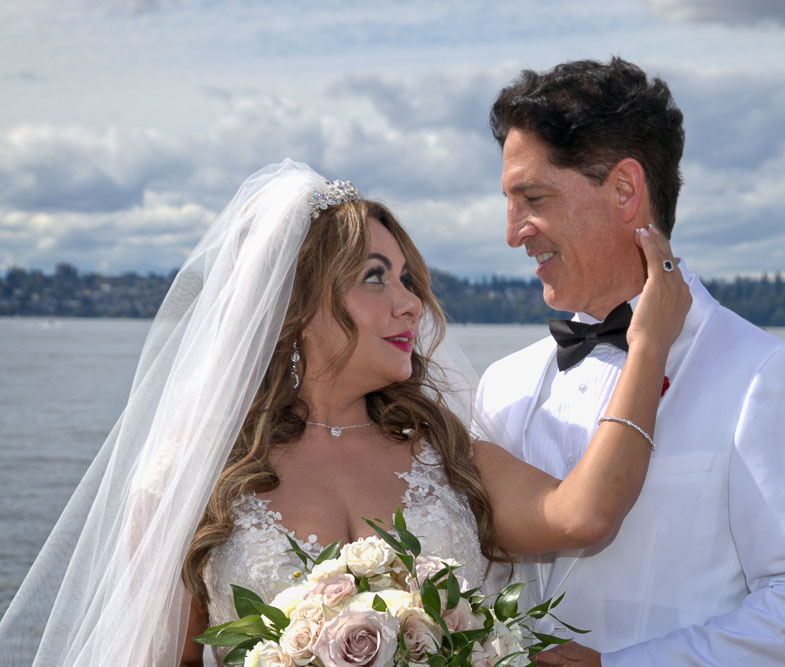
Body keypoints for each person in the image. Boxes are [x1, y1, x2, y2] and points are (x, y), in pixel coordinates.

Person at [0, 159, 689, 667]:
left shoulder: (448, 456)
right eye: (375, 277)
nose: (410, 303)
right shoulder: (195, 479)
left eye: (409, 279)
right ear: (295, 306)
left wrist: (649, 343)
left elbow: (585, 514)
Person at [476, 57, 785, 666]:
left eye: (531, 197)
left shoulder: (765, 376)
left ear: (626, 190)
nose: (513, 232)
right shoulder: (503, 384)